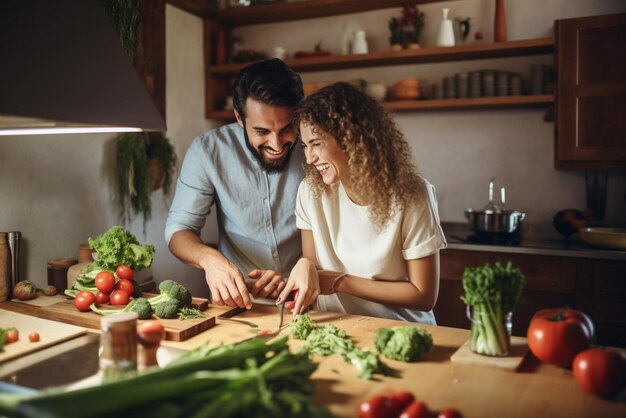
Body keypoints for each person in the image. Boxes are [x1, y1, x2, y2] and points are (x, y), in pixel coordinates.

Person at [278, 82, 447, 324]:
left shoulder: (412, 194)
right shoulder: (310, 191)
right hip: (335, 328)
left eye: (316, 143)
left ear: (350, 138)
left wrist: (340, 282)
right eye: (305, 146)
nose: (309, 158)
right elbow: (314, 268)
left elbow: (424, 295)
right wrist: (304, 266)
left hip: (401, 331)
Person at [165, 59, 305, 310]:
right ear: (239, 118)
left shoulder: (315, 147)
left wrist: (307, 271)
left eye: (287, 128)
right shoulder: (208, 151)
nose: (276, 144)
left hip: (314, 300)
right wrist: (209, 259)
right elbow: (178, 230)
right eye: (262, 131)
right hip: (244, 304)